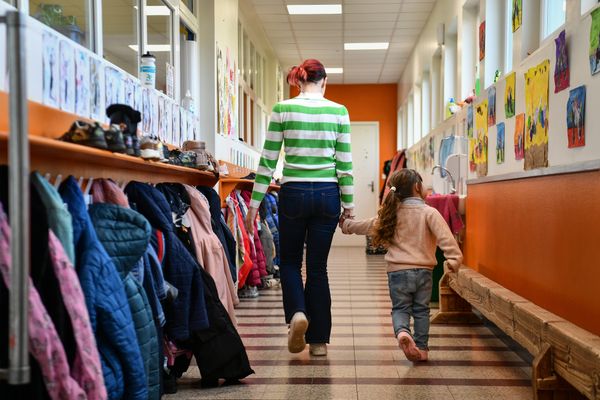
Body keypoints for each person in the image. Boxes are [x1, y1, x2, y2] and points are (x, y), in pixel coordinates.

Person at [245, 59, 354, 357]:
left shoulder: (283, 109)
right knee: (318, 268)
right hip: (328, 194)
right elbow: (344, 165)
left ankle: (296, 314)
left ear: (299, 81)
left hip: (292, 193)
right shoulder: (339, 111)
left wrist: (254, 205)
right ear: (324, 81)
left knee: (291, 262)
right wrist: (349, 206)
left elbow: (267, 161)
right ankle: (318, 343)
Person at [339, 169, 462, 362]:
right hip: (424, 271)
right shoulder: (430, 212)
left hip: (397, 273)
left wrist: (347, 226)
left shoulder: (391, 214)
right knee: (421, 310)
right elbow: (445, 236)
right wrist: (454, 258)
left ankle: (403, 333)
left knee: (400, 309)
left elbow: (367, 225)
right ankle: (421, 349)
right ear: (417, 187)